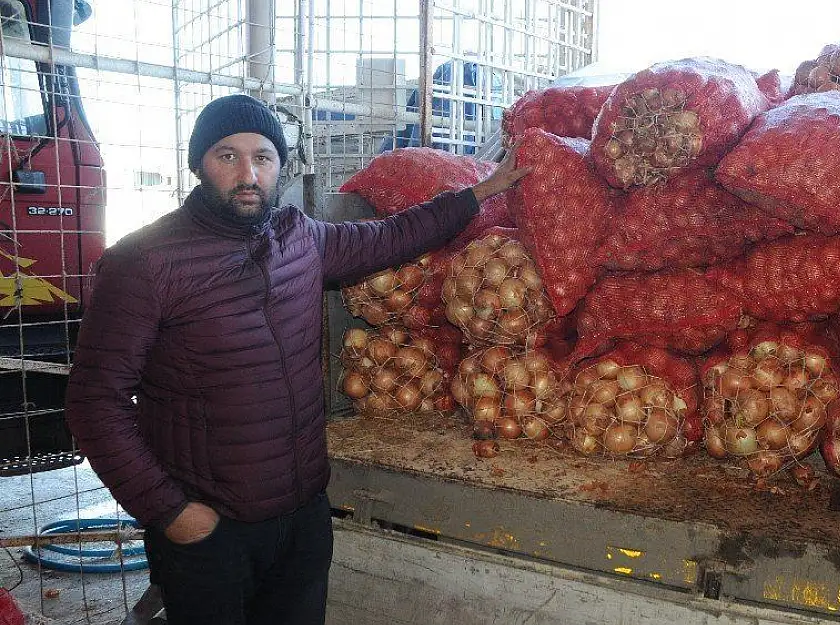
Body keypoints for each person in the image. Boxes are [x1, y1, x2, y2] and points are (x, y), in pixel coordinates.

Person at [64, 93, 530, 625]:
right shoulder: (143, 262)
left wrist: (480, 193)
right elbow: (94, 403)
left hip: (302, 514)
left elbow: (391, 237)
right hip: (210, 528)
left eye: (262, 157)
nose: (247, 173)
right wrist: (172, 513)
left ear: (280, 167)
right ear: (197, 164)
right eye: (227, 156)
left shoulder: (299, 237)